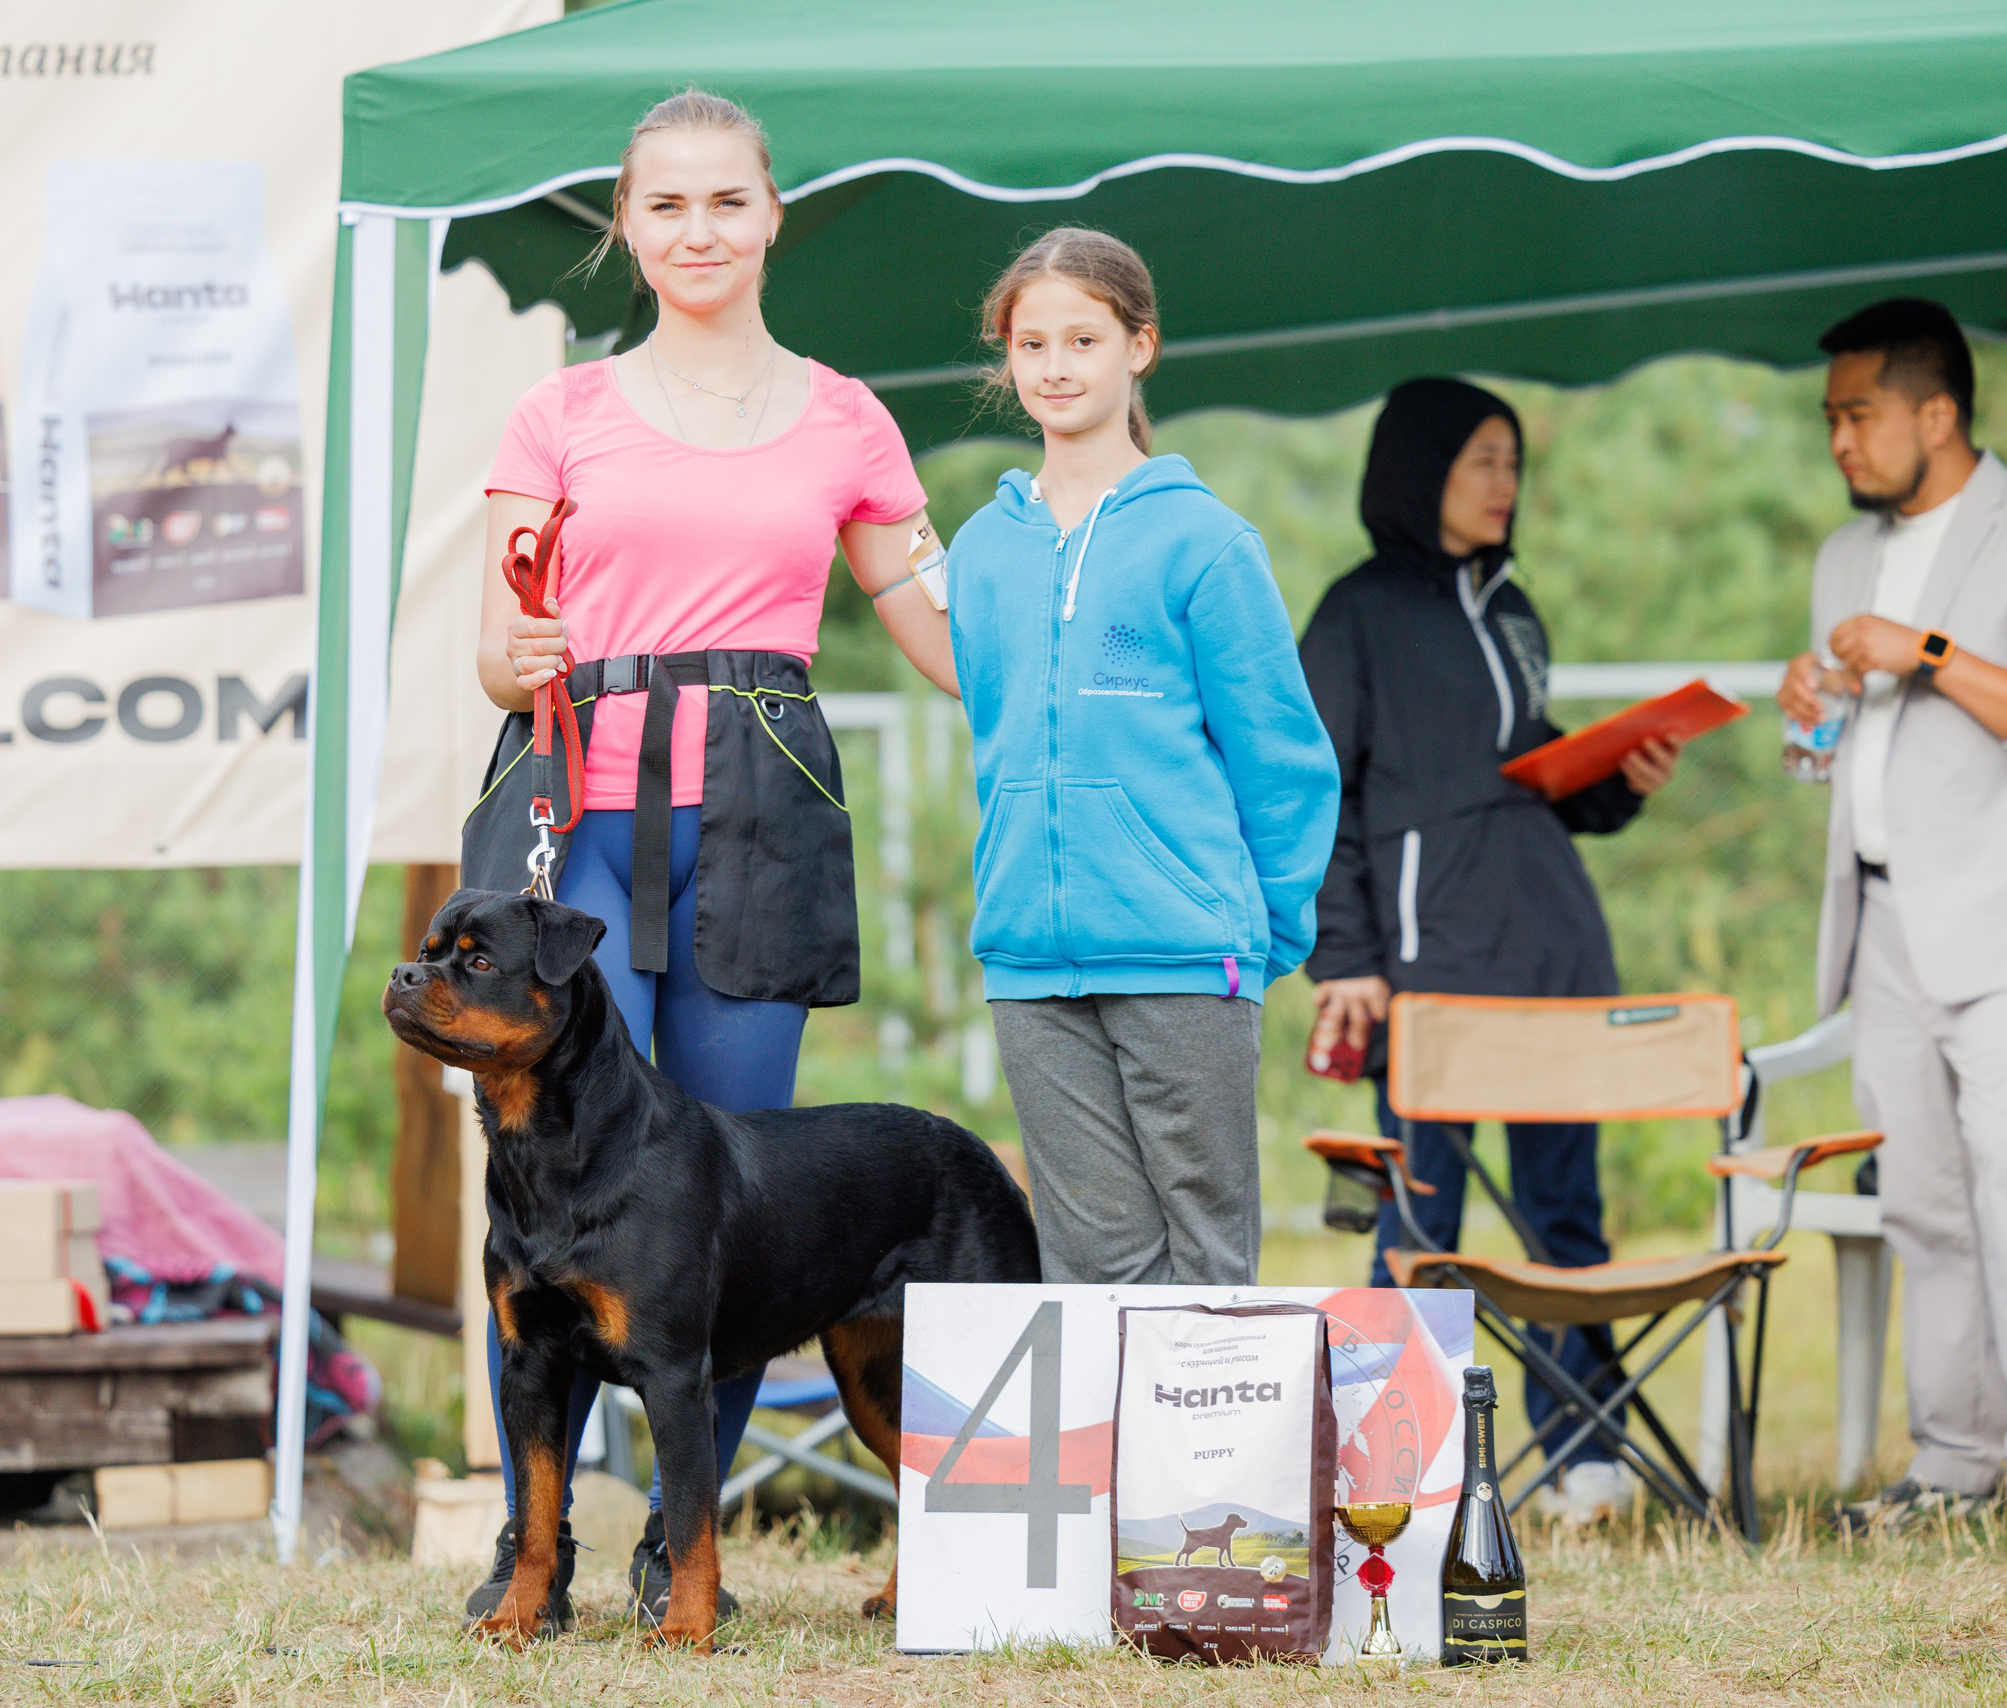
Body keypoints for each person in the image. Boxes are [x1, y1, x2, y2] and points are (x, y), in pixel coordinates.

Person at [463, 90, 958, 1627]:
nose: (698, 230)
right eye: (667, 206)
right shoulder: (561, 412)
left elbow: (942, 630)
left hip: (759, 809)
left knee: (729, 1202)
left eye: (726, 202)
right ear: (626, 223)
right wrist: (512, 650)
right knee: (544, 1185)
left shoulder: (847, 415)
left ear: (772, 215)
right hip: (582, 803)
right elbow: (495, 648)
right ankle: (525, 1547)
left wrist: (1086, 669)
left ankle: (679, 1550)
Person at [1298, 378, 1680, 1524]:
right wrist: (1345, 955)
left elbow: (1528, 776)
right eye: (1483, 462)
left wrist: (1615, 780)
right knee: (1420, 1226)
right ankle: (1384, 1468)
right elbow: (1321, 794)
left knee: (1568, 1216)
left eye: (1513, 463)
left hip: (1552, 951)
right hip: (1427, 968)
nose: (1506, 484)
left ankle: (1584, 1457)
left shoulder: (1516, 608)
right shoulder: (1353, 614)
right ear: (1420, 471)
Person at [1778, 298, 2007, 1540]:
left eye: (1857, 417)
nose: (1839, 445)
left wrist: (1922, 648)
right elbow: (1833, 755)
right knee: (1920, 1195)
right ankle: (1956, 1457)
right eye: (1828, 421)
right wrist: (1806, 711)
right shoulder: (1838, 556)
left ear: (1937, 411)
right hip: (1885, 924)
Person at [947, 228, 1339, 1287]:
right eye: (1032, 344)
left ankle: (1217, 1462)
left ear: (1140, 348)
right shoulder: (981, 551)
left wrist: (1258, 935)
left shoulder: (1205, 543)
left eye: (1084, 338)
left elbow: (1282, 760)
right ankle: (1117, 1465)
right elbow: (994, 733)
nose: (1057, 366)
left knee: (1205, 1257)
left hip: (1186, 954)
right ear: (1008, 357)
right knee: (1089, 1262)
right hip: (1030, 963)